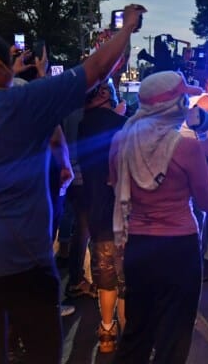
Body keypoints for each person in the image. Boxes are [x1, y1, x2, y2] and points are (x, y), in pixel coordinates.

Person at [0, 3, 146, 364]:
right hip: (23, 263)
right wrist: (126, 29)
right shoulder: (20, 104)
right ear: (1, 68)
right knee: (42, 349)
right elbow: (94, 69)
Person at [110, 71, 208, 363]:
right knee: (174, 337)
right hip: (177, 247)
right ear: (175, 105)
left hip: (138, 246)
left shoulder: (121, 142)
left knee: (137, 332)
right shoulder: (188, 148)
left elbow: (115, 185)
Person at [78, 82, 128, 353]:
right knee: (126, 282)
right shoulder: (123, 125)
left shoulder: (83, 126)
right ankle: (129, 334)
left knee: (105, 277)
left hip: (97, 212)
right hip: (124, 214)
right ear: (105, 93)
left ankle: (107, 330)